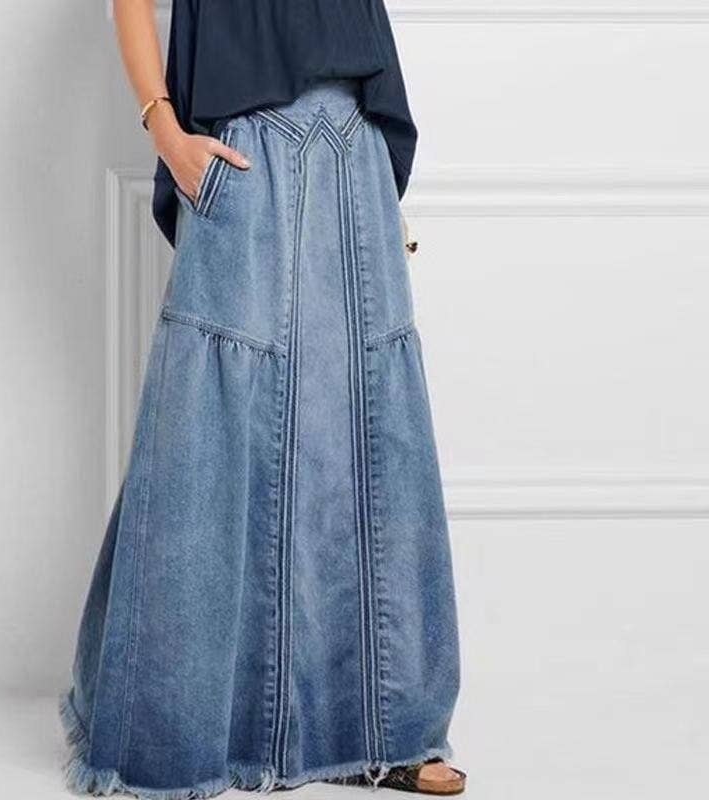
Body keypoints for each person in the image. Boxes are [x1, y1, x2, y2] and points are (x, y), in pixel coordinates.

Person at [60, 1, 465, 796]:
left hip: (357, 140)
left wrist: (379, 178)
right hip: (242, 145)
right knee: (206, 436)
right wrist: (164, 130)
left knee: (368, 430)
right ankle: (174, 737)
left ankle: (393, 734)